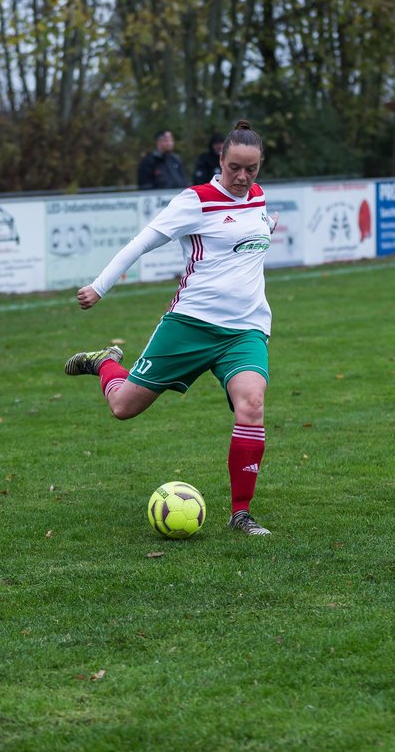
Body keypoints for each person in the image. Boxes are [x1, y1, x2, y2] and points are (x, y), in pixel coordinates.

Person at [65, 120, 277, 537]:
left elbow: (253, 229)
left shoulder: (257, 197)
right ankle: (106, 362)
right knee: (123, 408)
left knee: (252, 404)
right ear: (220, 160)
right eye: (235, 167)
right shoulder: (195, 200)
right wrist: (99, 287)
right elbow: (141, 242)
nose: (242, 177)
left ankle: (241, 514)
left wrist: (266, 227)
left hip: (245, 330)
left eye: (251, 169)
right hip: (190, 326)